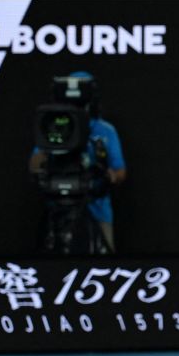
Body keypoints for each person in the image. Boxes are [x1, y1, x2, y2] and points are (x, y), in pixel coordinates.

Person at [30, 71, 126, 254]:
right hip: (57, 212)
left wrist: (108, 175)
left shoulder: (105, 130)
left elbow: (120, 171)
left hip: (97, 210)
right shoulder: (52, 126)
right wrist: (48, 143)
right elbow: (34, 166)